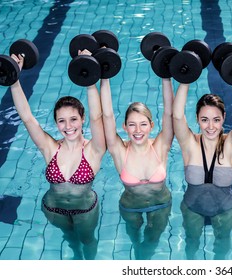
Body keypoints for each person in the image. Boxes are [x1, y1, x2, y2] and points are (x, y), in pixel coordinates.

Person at [9, 51, 106, 260]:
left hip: (85, 211)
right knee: (70, 239)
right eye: (61, 121)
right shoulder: (50, 148)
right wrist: (14, 77)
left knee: (88, 241)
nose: (68, 126)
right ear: (56, 123)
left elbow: (99, 118)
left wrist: (90, 79)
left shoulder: (94, 150)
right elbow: (27, 118)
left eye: (73, 119)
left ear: (82, 119)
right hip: (53, 209)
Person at [173, 83, 232, 259]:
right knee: (191, 245)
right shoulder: (189, 144)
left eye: (216, 119)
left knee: (221, 247)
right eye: (204, 119)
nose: (210, 126)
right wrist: (185, 80)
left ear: (224, 117)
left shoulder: (231, 144)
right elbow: (177, 116)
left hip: (225, 211)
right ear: (197, 119)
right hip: (192, 209)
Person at [100, 77, 174, 260]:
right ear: (124, 127)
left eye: (143, 124)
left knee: (151, 242)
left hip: (161, 204)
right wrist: (104, 77)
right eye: (132, 124)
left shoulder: (160, 146)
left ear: (151, 126)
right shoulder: (119, 151)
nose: (137, 130)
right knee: (134, 239)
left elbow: (170, 114)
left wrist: (166, 77)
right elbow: (107, 116)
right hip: (130, 207)